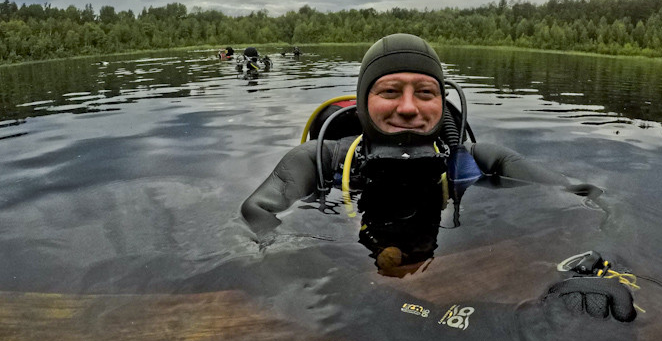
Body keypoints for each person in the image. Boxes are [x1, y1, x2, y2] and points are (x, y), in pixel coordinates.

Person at [241, 33, 636, 320]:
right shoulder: (317, 161)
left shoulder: (482, 161)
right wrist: (313, 283)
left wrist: (596, 265)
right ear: (363, 103)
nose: (409, 108)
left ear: (442, 102)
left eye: (425, 93)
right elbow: (255, 216)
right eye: (391, 91)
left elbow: (592, 198)